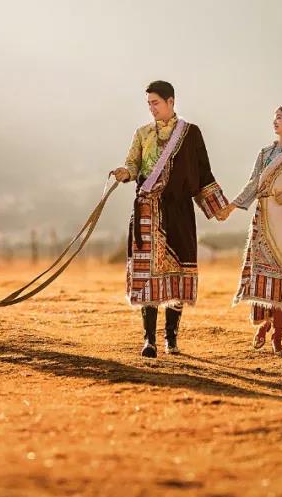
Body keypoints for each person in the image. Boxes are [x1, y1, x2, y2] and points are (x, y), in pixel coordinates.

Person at [111, 80, 230, 358]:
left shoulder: (190, 134)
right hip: (147, 212)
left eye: (156, 102)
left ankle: (171, 339)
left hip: (179, 212)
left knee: (178, 274)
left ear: (171, 101)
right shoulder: (142, 134)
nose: (152, 108)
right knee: (148, 275)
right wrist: (125, 173)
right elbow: (133, 164)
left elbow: (203, 173)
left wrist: (218, 207)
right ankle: (149, 340)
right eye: (149, 103)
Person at [218, 104, 282, 355]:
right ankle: (265, 325)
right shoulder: (265, 153)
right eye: (274, 117)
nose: (275, 121)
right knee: (266, 280)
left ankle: (277, 336)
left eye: (280, 117)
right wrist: (231, 206)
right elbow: (253, 184)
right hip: (263, 219)